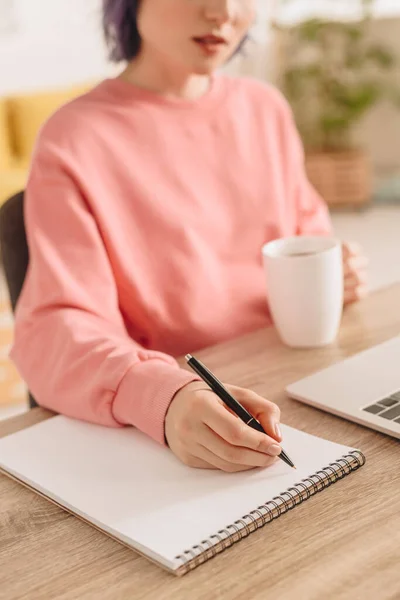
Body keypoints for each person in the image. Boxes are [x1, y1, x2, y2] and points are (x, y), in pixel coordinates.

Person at [10, 0, 368, 473]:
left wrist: (337, 275)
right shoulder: (75, 137)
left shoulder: (265, 109)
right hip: (187, 430)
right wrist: (162, 394)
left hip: (299, 390)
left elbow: (308, 236)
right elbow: (56, 330)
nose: (223, 11)